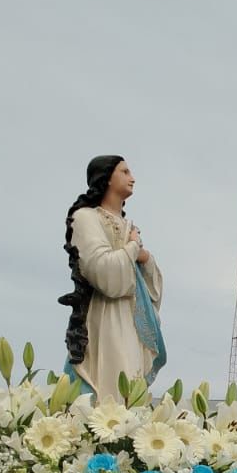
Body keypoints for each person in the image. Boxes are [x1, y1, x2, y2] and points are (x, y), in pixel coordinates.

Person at [59, 155, 165, 402]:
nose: (132, 178)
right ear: (106, 178)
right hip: (105, 316)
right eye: (125, 172)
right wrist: (131, 248)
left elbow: (148, 286)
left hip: (131, 317)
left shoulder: (128, 226)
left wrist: (144, 256)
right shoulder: (86, 217)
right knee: (111, 381)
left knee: (133, 382)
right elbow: (103, 273)